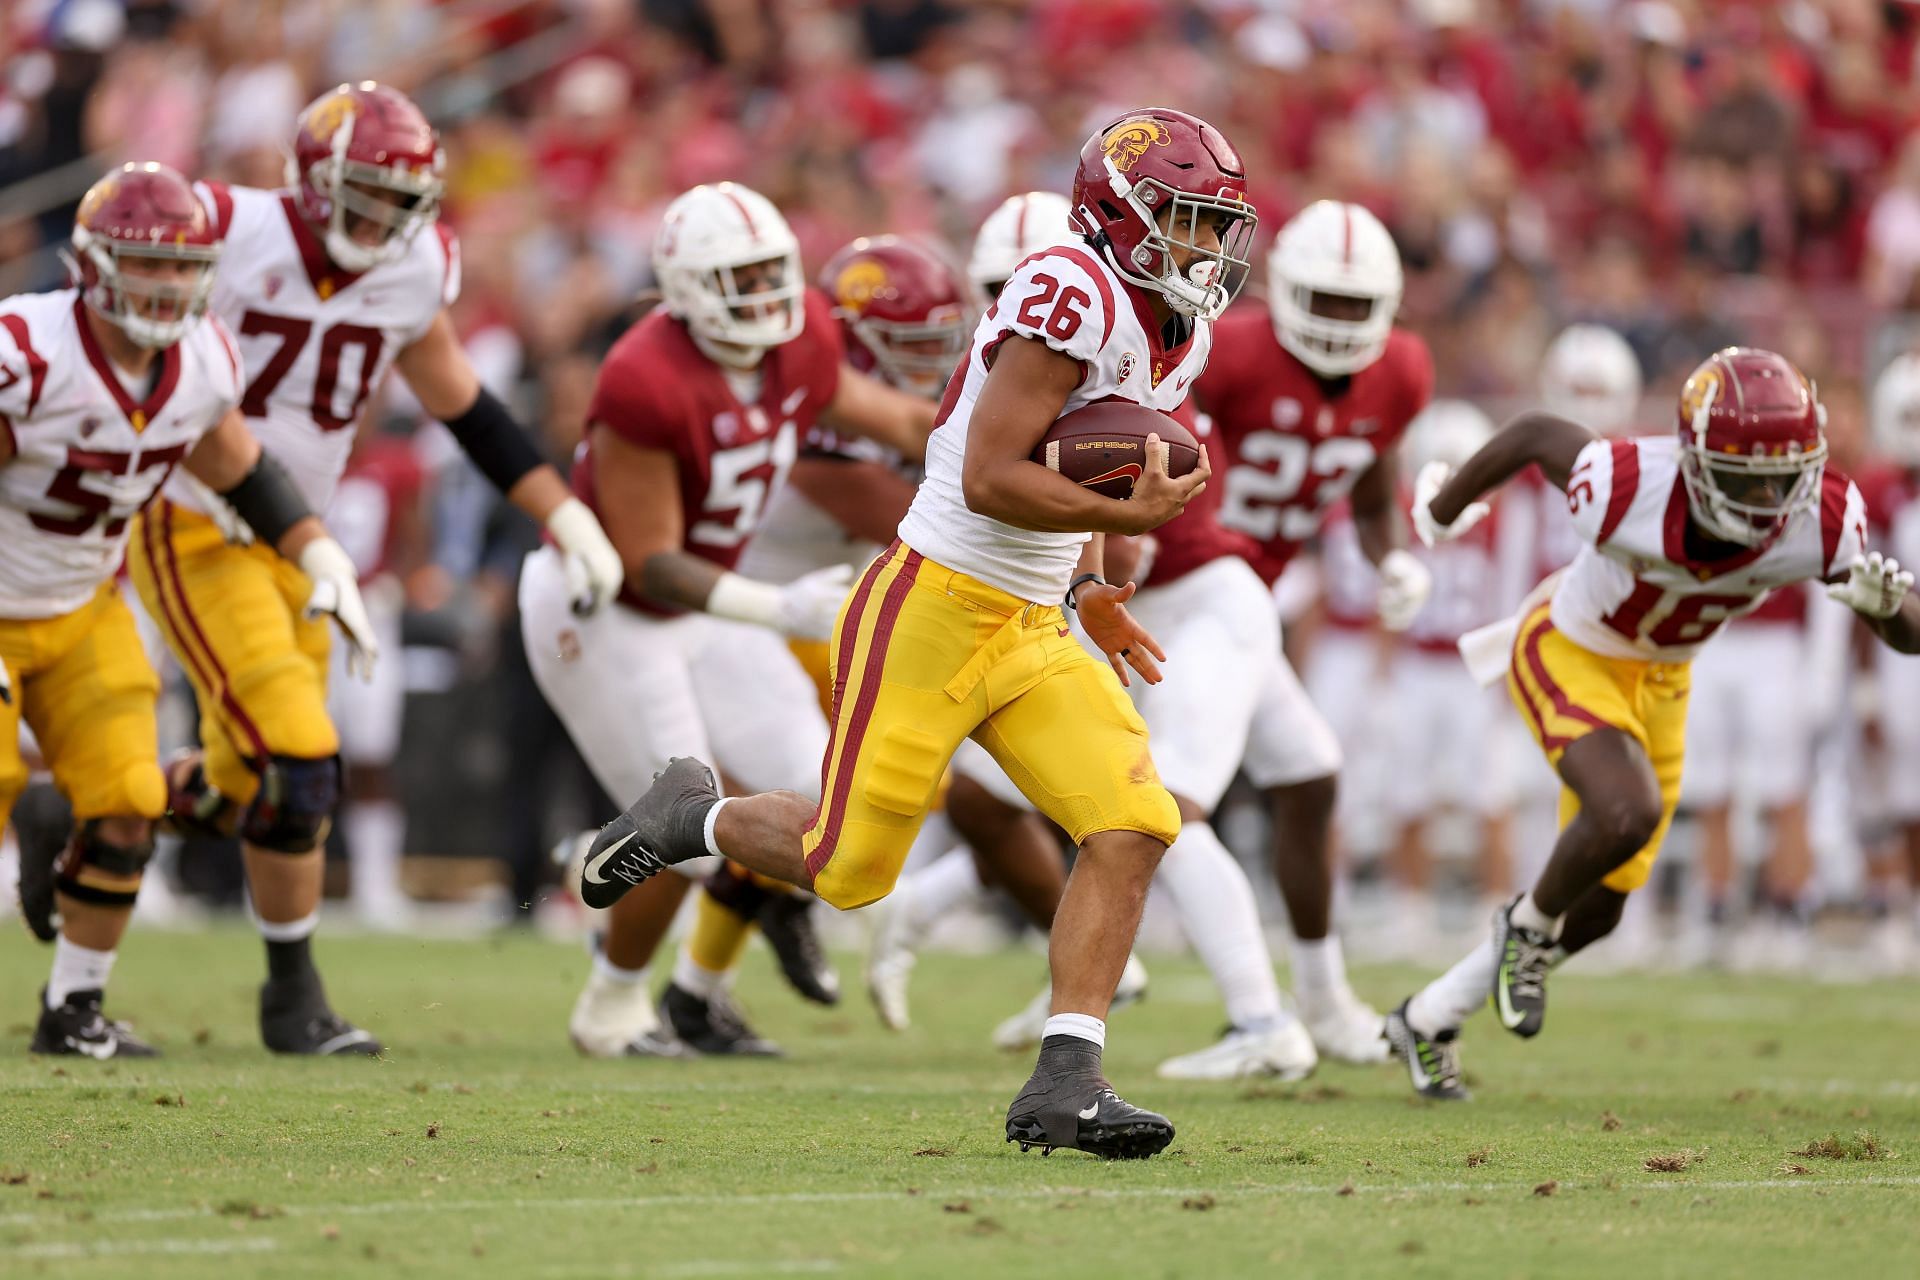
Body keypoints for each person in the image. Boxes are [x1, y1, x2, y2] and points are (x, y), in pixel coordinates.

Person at [580, 108, 1248, 1158]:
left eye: (1216, 225)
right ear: (1120, 211)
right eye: (1185, 220)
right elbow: (992, 475)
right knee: (846, 867)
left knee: (1134, 821)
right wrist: (1120, 522)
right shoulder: (1067, 289)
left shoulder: (1182, 323)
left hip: (1033, 619)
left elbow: (1087, 471)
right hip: (933, 600)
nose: (1205, 248)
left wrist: (1092, 586)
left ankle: (1066, 1079)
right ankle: (689, 815)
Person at [125, 82, 623, 1056]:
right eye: (364, 196)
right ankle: (293, 993)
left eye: (403, 203)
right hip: (193, 518)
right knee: (303, 756)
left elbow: (465, 406)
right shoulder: (225, 224)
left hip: (301, 537)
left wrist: (563, 512)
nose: (383, 222)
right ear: (310, 183)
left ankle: (101, 803)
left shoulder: (412, 268)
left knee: (248, 780)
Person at [1386, 347, 1919, 1100]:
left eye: (1783, 475)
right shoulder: (1628, 483)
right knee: (1623, 811)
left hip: (1667, 678)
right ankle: (1528, 933)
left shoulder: (1822, 523)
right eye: (1745, 478)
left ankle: (1431, 1014)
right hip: (1571, 647)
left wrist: (1885, 606)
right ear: (1694, 460)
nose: (1768, 497)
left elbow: (1912, 632)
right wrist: (1443, 511)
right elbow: (1537, 431)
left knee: (1602, 909)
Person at [525, 186, 936, 1058]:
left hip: (707, 606)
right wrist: (777, 607)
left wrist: (1003, 447)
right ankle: (612, 1008)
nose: (758, 295)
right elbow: (651, 562)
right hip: (609, 610)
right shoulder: (642, 376)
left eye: (767, 272)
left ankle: (604, 871)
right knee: (687, 820)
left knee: (828, 793)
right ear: (683, 288)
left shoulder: (804, 338)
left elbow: (897, 418)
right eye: (734, 277)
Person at [3, 162, 374, 1057]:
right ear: (90, 264)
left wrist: (317, 551)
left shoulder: (205, 357)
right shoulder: (28, 353)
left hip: (84, 602)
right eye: (147, 264)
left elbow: (237, 466)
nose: (167, 284)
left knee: (130, 798)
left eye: (181, 268)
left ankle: (73, 1010)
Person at [1201, 200, 1435, 1063]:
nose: (1337, 322)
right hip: (1185, 583)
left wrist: (1392, 558)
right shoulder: (1229, 352)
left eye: (1353, 304)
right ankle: (1260, 1019)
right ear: (1281, 291)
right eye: (1321, 301)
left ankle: (1318, 1001)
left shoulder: (1401, 373)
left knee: (1306, 780)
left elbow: (1374, 494)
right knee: (1171, 807)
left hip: (1247, 600)